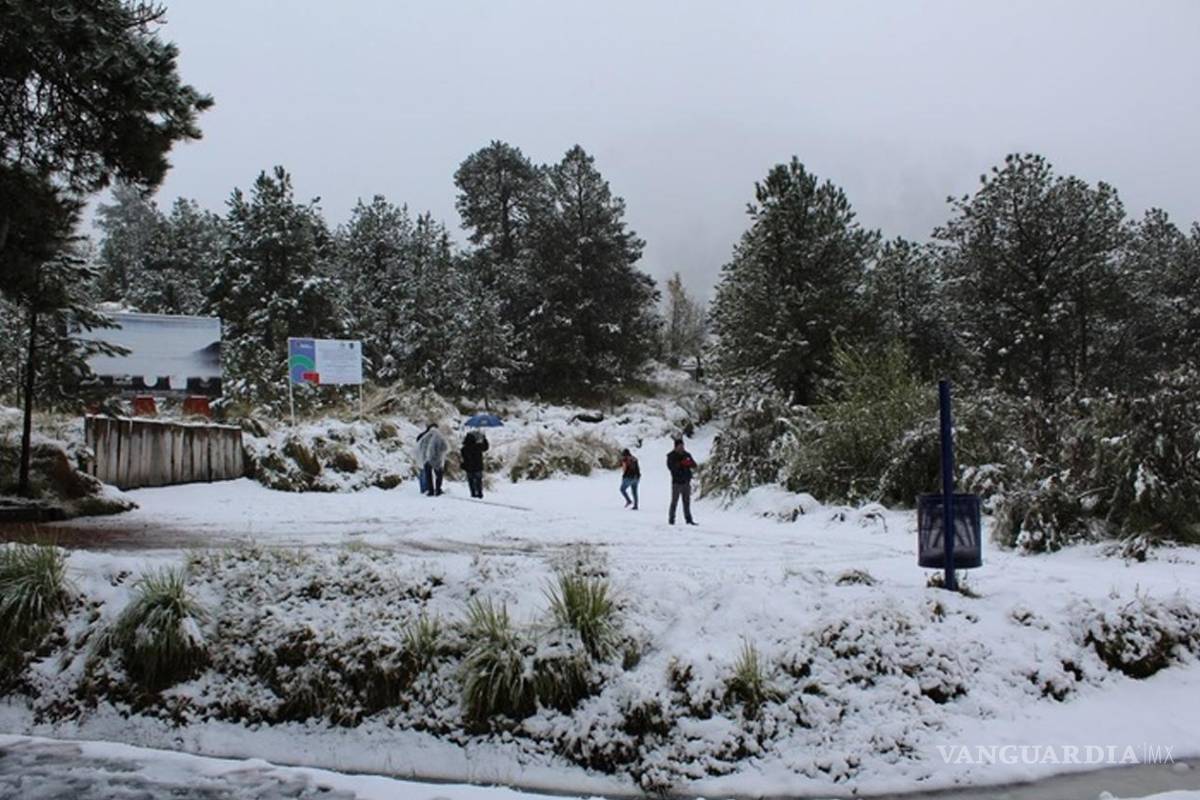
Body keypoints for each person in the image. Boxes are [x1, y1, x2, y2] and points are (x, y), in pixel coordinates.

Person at [666, 438, 697, 525]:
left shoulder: (687, 454)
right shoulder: (671, 456)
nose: (681, 448)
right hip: (676, 482)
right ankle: (671, 519)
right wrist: (681, 464)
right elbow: (671, 468)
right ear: (675, 447)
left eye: (682, 446)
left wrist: (689, 463)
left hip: (686, 481)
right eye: (679, 446)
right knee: (674, 502)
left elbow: (694, 465)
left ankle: (688, 519)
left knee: (686, 502)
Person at [417, 422, 448, 496]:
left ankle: (430, 491)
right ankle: (438, 490)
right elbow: (445, 447)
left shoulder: (425, 435)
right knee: (439, 475)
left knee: (428, 475)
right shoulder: (439, 436)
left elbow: (419, 444)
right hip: (437, 459)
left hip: (426, 459)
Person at [460, 430, 489, 499]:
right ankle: (479, 494)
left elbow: (463, 458)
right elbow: (486, 447)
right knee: (478, 481)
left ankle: (473, 493)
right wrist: (484, 438)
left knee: (471, 481)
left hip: (468, 468)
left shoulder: (463, 449)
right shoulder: (478, 447)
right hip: (478, 467)